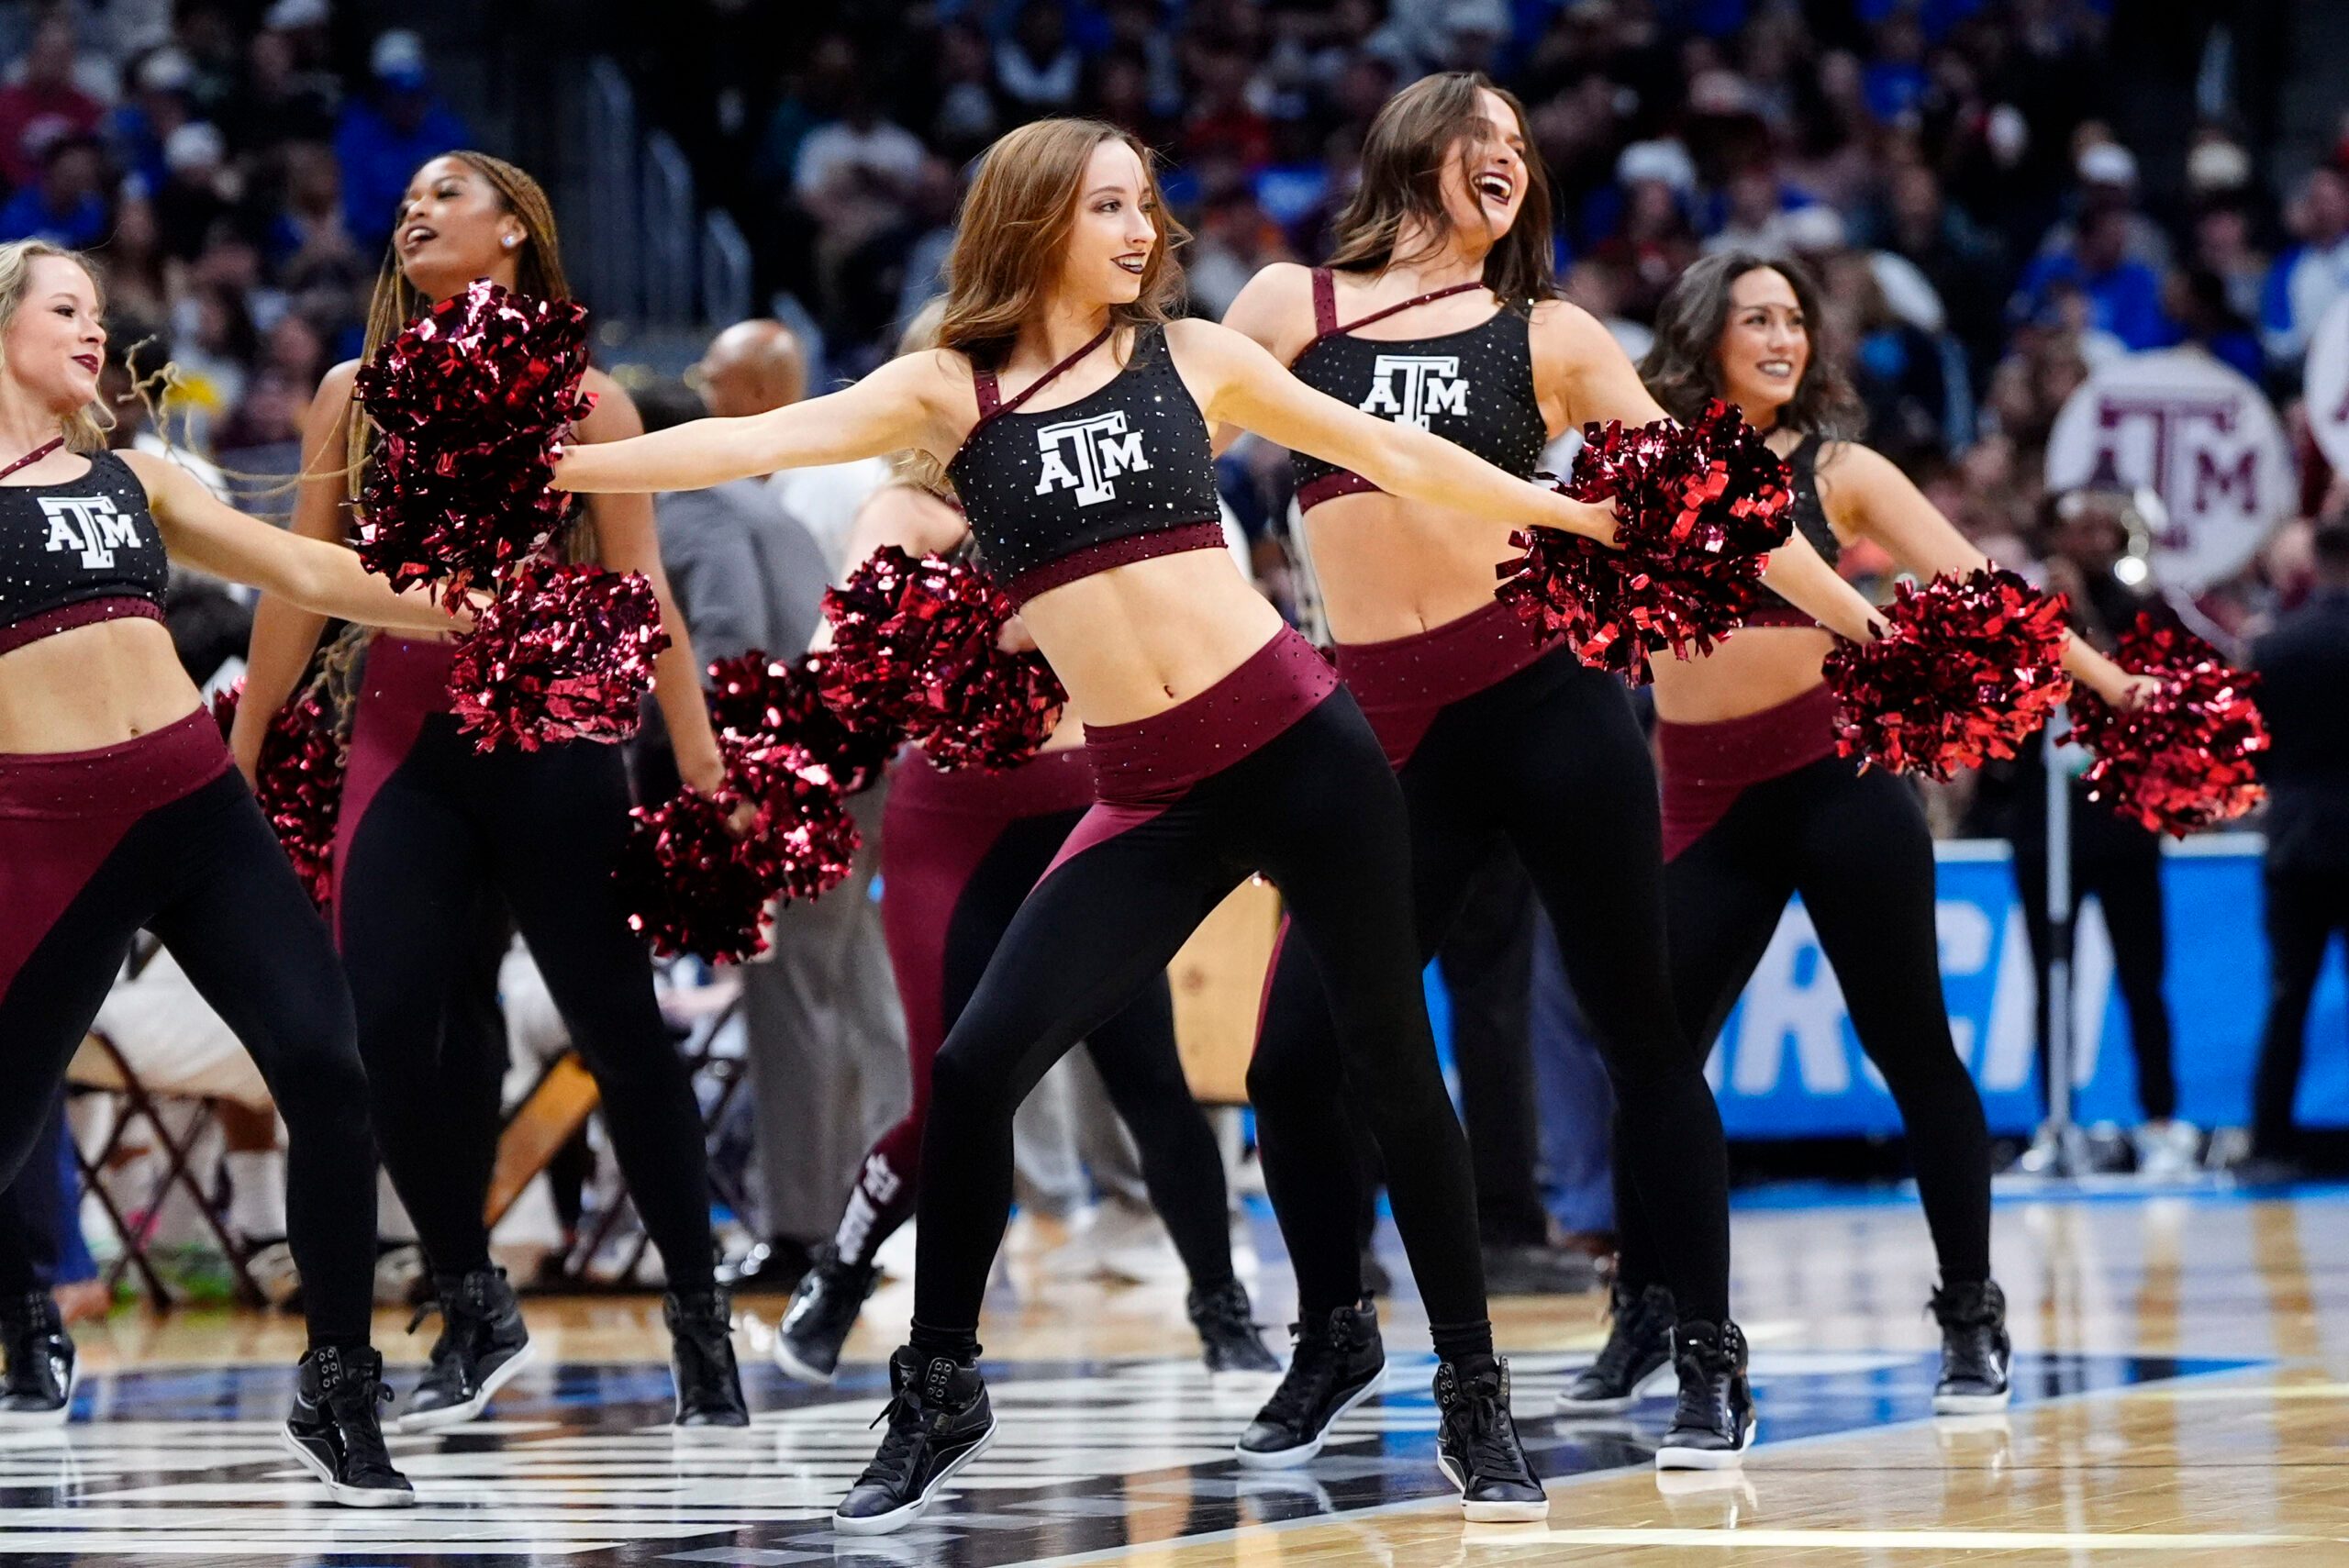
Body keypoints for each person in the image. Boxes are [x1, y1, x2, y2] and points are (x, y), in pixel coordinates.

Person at [553, 116, 1628, 1532]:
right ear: (1031, 220)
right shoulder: (950, 390)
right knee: (978, 1061)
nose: (1141, 231)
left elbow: (1400, 453)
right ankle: (939, 1386)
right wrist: (553, 470)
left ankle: (1473, 1401)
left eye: (1145, 205)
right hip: (1149, 787)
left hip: (1305, 745)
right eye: (1107, 206)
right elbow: (750, 438)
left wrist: (1595, 525)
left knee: (1384, 1063)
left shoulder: (1196, 356)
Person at [1219, 73, 1881, 1471]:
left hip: (1542, 700)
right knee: (1289, 1061)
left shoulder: (1555, 333)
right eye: (1487, 135)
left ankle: (1705, 1348)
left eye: (1524, 146)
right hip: (1378, 727)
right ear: (1415, 143)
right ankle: (1335, 1328)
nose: (1510, 159)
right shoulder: (1290, 309)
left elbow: (1720, 517)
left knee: (1642, 1035)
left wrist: (1872, 627)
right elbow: (1172, 462)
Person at [232, 152, 749, 1433]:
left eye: (444, 196)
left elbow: (644, 594)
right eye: (402, 202)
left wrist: (697, 753)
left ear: (515, 228)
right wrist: (238, 753)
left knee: (621, 1033)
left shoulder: (588, 402)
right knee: (386, 1030)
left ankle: (701, 1325)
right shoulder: (356, 396)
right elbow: (298, 579)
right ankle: (470, 1292)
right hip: (403, 742)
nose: (414, 212)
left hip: (557, 742)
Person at [1624, 250, 2150, 1420]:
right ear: (1700, 336)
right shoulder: (1648, 471)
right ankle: (1649, 1311)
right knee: (1650, 1055)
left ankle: (1970, 1309)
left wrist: (2107, 685)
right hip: (1698, 797)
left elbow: (1983, 591)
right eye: (1754, 317)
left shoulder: (1841, 470)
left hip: (1835, 783)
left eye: (1794, 320)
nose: (1781, 336)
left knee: (1912, 1047)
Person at [0, 237, 467, 1502]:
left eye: (102, 311)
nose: (94, 329)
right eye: (65, 309)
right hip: (43, 828)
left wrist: (467, 607)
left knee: (330, 1069)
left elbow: (305, 568)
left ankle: (338, 1387)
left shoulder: (138, 472)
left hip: (194, 807)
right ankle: (20, 1303)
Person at [772, 380, 1279, 1386]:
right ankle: (841, 1271)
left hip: (1083, 807)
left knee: (1150, 1076)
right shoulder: (902, 511)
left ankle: (1223, 1310)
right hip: (946, 825)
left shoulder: (1085, 496)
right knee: (949, 1086)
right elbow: (841, 655)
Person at [637, 328, 906, 1295]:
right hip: (847, 756)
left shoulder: (686, 508)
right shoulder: (759, 502)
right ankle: (840, 1221)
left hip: (786, 769)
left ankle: (804, 1233)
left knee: (790, 996)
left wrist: (691, 772)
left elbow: (729, 638)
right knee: (830, 995)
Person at [2003, 490, 2185, 1177]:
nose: (2093, 539)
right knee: (2052, 983)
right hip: (2046, 831)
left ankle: (2162, 1120)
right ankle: (2055, 1121)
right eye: (2080, 528)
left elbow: (2135, 697)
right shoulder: (2023, 610)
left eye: (2104, 528)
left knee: (2144, 978)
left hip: (2123, 828)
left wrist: (2080, 616)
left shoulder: (2143, 611)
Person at [2247, 518, 2349, 1175]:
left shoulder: (2276, 646)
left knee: (2289, 996)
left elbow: (2255, 755)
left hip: (2296, 841)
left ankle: (2270, 1143)